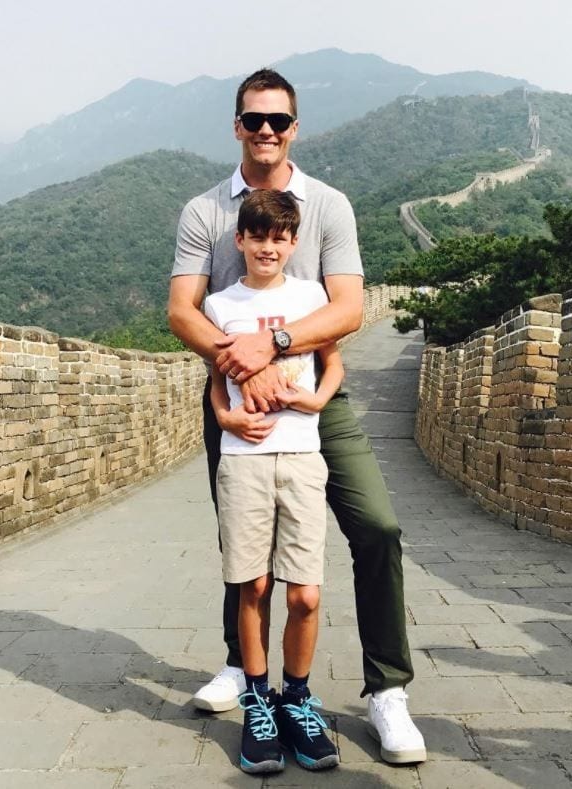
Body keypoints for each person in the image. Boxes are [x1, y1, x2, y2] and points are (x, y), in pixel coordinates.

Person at [168, 67, 426, 766]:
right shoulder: (206, 213)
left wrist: (277, 345)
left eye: (277, 121)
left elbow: (346, 309)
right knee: (244, 550)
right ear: (236, 126)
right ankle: (246, 674)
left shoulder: (328, 207)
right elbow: (182, 309)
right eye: (253, 119)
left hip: (318, 401)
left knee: (375, 525)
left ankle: (385, 688)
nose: (265, 132)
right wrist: (239, 364)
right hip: (236, 394)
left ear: (294, 128)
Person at [206, 188, 342, 773]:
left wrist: (317, 400)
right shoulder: (219, 305)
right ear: (241, 241)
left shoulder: (312, 297)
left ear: (293, 242)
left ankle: (298, 697)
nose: (268, 247)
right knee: (253, 587)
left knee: (305, 592)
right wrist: (222, 413)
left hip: (303, 455)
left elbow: (333, 359)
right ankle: (258, 702)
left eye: (279, 237)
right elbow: (216, 375)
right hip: (245, 458)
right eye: (257, 236)